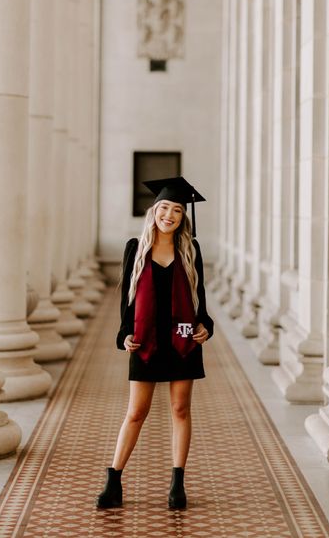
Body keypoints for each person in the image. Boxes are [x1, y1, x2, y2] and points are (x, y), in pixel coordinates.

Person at [96, 176, 214, 510]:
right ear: (154, 210)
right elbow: (127, 300)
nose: (170, 215)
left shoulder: (191, 249)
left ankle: (177, 483)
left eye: (177, 210)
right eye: (165, 208)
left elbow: (198, 297)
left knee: (180, 409)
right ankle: (114, 480)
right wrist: (124, 333)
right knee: (136, 412)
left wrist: (206, 325)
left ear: (183, 217)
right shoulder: (136, 247)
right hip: (146, 338)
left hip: (182, 338)